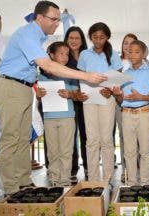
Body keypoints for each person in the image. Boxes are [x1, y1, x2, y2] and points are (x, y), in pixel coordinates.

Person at [0, 1, 107, 195]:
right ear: (40, 17)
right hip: (11, 86)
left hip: (23, 87)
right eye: (54, 19)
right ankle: (11, 188)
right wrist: (86, 76)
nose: (57, 24)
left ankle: (23, 182)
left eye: (58, 20)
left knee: (22, 139)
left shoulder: (36, 37)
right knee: (11, 138)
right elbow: (48, 66)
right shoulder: (27, 34)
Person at [77, 22, 123, 182]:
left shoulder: (114, 54)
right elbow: (81, 76)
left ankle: (108, 179)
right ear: (90, 37)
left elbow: (118, 76)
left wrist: (110, 89)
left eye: (101, 37)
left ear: (107, 37)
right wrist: (80, 93)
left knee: (106, 139)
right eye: (95, 37)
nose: (98, 40)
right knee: (91, 139)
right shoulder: (84, 54)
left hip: (107, 98)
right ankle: (93, 180)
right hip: (88, 99)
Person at [112, 40, 149, 186]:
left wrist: (140, 97)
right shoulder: (124, 74)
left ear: (144, 53)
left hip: (144, 113)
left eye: (136, 52)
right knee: (129, 151)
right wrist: (118, 94)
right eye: (130, 51)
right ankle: (131, 183)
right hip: (126, 114)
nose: (132, 55)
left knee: (145, 151)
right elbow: (121, 100)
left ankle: (145, 183)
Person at [38, 41, 77, 186]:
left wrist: (70, 94)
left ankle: (65, 181)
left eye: (67, 54)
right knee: (52, 152)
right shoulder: (42, 75)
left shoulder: (70, 73)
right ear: (52, 55)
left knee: (66, 152)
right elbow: (39, 96)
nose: (65, 57)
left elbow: (78, 93)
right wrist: (39, 95)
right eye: (61, 54)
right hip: (49, 118)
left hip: (67, 117)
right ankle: (54, 181)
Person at [64, 26, 88, 184]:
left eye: (77, 38)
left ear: (82, 40)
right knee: (70, 136)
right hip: (68, 100)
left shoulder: (88, 56)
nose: (73, 41)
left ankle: (88, 166)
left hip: (86, 99)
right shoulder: (62, 56)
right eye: (71, 38)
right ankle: (72, 168)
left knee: (87, 134)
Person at [117, 33, 138, 183]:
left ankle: (135, 170)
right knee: (124, 137)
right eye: (125, 43)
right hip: (119, 103)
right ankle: (125, 170)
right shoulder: (115, 62)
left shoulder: (141, 63)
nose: (128, 46)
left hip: (137, 105)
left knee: (137, 139)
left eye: (132, 43)